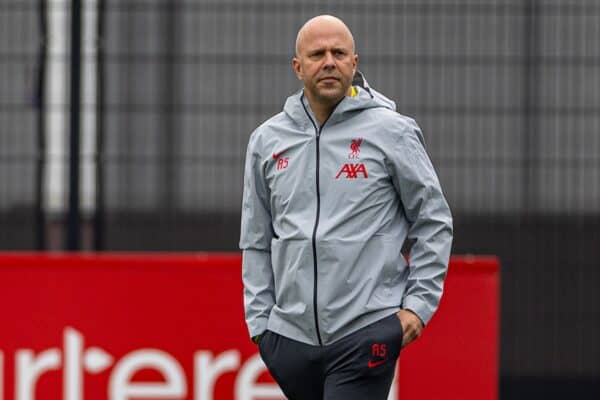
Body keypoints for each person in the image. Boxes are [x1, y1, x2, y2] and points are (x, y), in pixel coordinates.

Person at [240, 14, 453, 399]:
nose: (329, 62)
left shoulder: (393, 131)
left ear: (354, 63)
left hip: (364, 331)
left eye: (339, 53)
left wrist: (417, 308)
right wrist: (261, 324)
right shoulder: (266, 141)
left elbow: (433, 220)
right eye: (317, 54)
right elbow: (255, 238)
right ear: (298, 66)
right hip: (289, 340)